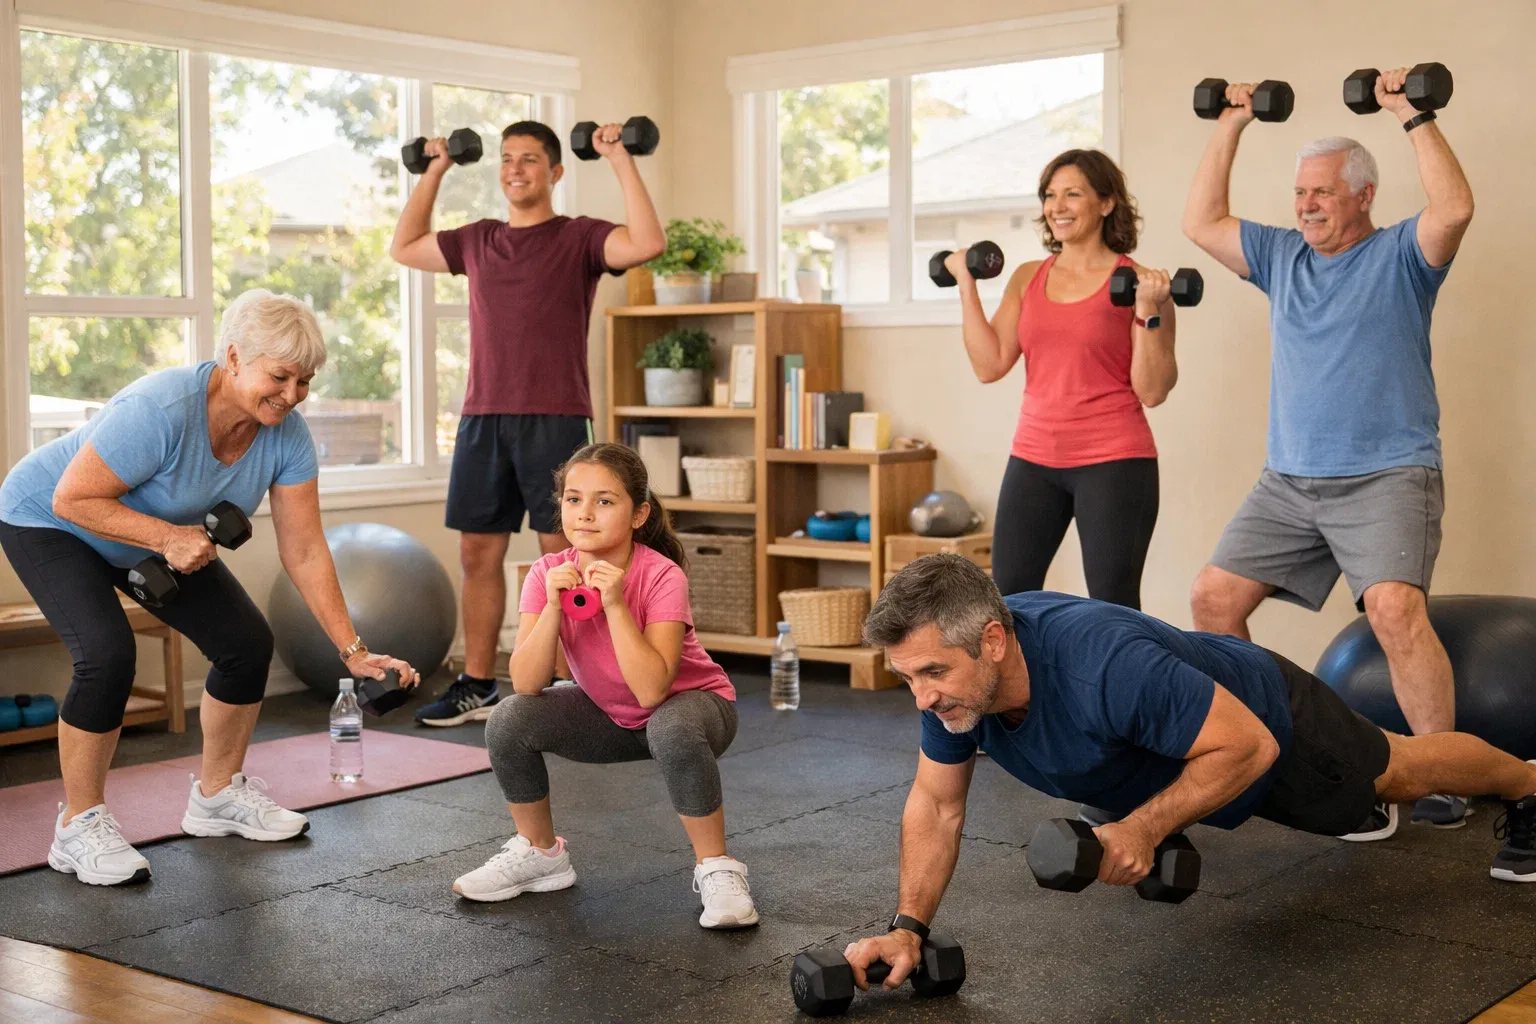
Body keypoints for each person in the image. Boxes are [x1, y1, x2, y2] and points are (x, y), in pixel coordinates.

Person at [837, 554, 1536, 990]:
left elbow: (1249, 746)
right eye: (908, 678)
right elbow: (935, 804)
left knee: (1398, 770)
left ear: (993, 640)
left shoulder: (1102, 667)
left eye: (932, 673)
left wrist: (1143, 827)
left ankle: (1526, 781)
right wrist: (908, 928)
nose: (923, 696)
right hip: (1167, 743)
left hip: (1269, 722)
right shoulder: (954, 687)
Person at [0, 290, 421, 887]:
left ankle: (217, 797)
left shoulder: (286, 435)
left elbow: (303, 549)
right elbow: (73, 497)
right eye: (280, 376)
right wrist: (166, 536)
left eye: (305, 381)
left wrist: (354, 651)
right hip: (48, 518)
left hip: (146, 536)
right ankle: (79, 824)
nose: (293, 394)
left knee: (246, 642)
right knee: (106, 653)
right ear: (233, 358)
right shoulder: (160, 408)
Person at [1182, 71, 1475, 838]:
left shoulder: (1404, 256)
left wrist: (1411, 113)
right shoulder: (1283, 258)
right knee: (1213, 601)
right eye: (1300, 192)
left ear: (1363, 196)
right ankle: (1262, 753)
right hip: (1290, 480)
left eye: (1321, 192)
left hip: (1387, 473)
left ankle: (1444, 773)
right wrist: (1234, 120)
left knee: (1394, 608)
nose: (1305, 205)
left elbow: (1455, 208)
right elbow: (1201, 219)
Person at [390, 120, 665, 727]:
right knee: (477, 553)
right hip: (483, 415)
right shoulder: (479, 240)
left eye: (531, 160)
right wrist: (435, 167)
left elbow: (646, 243)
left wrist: (617, 155)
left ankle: (578, 684)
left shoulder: (579, 239)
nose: (516, 169)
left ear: (555, 172)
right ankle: (479, 682)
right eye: (508, 159)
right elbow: (405, 247)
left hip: (556, 415)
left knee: (569, 552)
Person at [453, 442, 757, 930]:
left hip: (696, 709)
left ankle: (718, 869)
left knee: (670, 727)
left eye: (605, 501)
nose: (585, 514)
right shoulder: (546, 574)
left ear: (639, 514)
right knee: (510, 718)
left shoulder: (662, 576)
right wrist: (552, 606)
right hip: (612, 715)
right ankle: (541, 854)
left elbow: (653, 691)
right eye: (573, 500)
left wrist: (615, 604)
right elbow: (527, 683)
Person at [946, 149, 1179, 611]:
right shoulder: (1028, 278)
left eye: (1073, 194)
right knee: (1009, 600)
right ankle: (1033, 688)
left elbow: (1153, 390)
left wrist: (1148, 312)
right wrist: (966, 285)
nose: (1058, 206)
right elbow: (989, 364)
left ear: (1107, 203)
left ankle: (1120, 687)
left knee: (1113, 605)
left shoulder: (1140, 283)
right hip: (1034, 458)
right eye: (1050, 196)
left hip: (1114, 460)